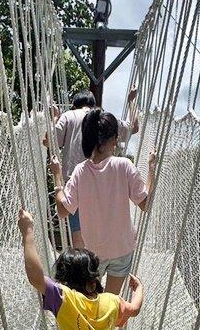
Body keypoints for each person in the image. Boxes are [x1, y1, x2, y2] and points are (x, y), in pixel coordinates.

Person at [50, 109, 156, 295]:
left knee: (92, 302)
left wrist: (57, 176)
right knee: (111, 304)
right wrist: (151, 170)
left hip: (93, 253)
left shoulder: (80, 172)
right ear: (115, 139)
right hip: (122, 248)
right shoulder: (125, 166)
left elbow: (63, 210)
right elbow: (145, 204)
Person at [46, 87, 140, 249]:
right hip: (105, 185)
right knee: (104, 239)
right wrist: (131, 100)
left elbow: (47, 140)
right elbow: (134, 127)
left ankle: (84, 271)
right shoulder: (103, 119)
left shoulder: (68, 117)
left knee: (79, 242)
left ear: (75, 106)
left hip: (75, 185)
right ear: (93, 105)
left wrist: (55, 117)